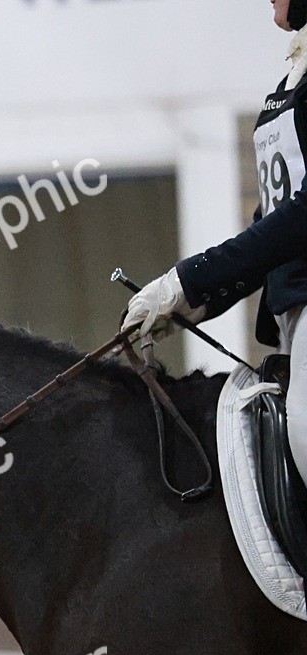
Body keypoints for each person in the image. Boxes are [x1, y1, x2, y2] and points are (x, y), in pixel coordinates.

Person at [122, 0, 307, 482]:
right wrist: (191, 303)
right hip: (292, 326)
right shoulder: (293, 79)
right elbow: (271, 226)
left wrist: (190, 278)